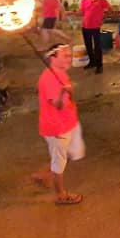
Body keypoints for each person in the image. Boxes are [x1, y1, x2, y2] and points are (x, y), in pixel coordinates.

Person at [31, 44, 85, 205]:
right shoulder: (49, 78)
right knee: (59, 162)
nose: (69, 58)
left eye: (70, 55)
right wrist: (63, 92)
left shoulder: (60, 74)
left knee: (71, 152)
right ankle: (61, 195)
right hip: (57, 127)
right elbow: (58, 105)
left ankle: (44, 175)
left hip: (69, 123)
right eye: (65, 55)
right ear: (52, 58)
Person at [77, 0, 110, 74]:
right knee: (88, 46)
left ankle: (99, 65)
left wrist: (103, 17)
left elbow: (108, 9)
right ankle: (92, 62)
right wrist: (70, 13)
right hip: (85, 26)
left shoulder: (101, 0)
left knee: (97, 47)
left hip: (95, 27)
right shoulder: (85, 0)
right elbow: (81, 12)